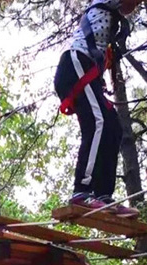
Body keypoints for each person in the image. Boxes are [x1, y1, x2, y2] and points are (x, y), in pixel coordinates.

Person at [54, 0, 142, 216]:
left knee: (112, 127)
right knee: (98, 122)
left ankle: (104, 194)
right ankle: (81, 191)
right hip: (76, 63)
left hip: (86, 70)